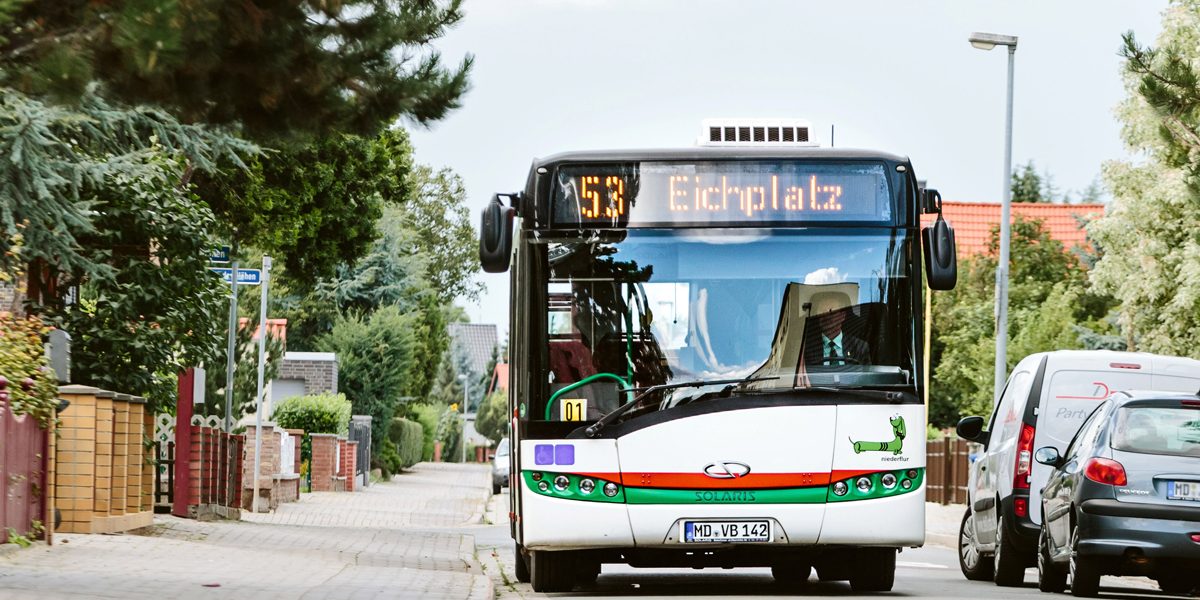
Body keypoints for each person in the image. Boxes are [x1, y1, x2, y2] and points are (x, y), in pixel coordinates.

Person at [803, 292, 869, 366]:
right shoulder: (805, 348)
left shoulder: (860, 347)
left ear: (842, 316)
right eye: (822, 311)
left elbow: (868, 376)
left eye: (831, 310)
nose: (826, 315)